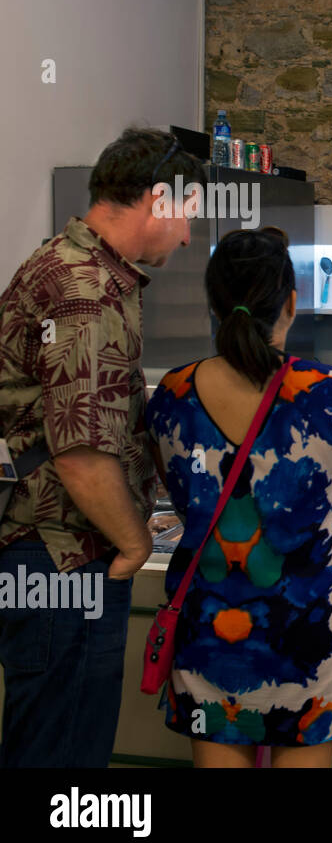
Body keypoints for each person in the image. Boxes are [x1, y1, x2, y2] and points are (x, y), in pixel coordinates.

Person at [0, 127, 203, 767]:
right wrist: (136, 542)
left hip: (48, 554)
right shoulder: (86, 290)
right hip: (65, 559)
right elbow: (80, 452)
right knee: (64, 758)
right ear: (159, 199)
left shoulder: (67, 264)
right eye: (189, 216)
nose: (189, 235)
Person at [146, 227, 332, 767]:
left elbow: (180, 497)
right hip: (306, 629)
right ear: (290, 304)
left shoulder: (171, 393)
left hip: (210, 634)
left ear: (214, 304)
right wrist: (298, 544)